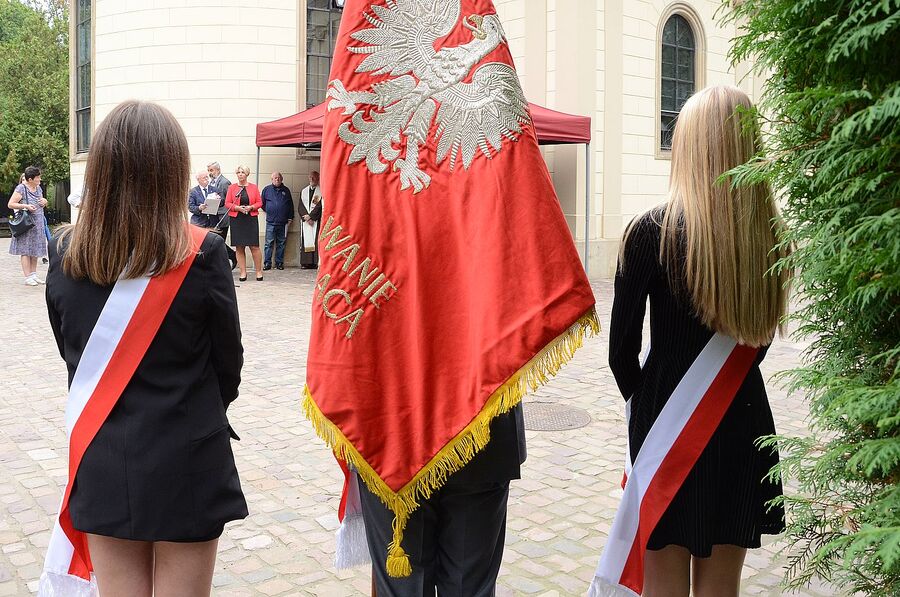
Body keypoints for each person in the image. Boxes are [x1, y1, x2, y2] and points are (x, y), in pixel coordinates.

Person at [41, 100, 247, 597]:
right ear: (172, 172)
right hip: (187, 456)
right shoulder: (203, 254)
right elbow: (228, 367)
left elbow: (70, 352)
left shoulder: (66, 254)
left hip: (103, 454)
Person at [603, 86, 791, 597]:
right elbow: (760, 340)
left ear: (687, 147)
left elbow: (621, 354)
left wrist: (651, 405)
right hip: (742, 417)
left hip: (666, 420)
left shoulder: (648, 232)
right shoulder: (772, 237)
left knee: (663, 583)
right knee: (722, 586)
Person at [7, 166, 48, 286]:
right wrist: (26, 206)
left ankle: (33, 275)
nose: (40, 179)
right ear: (30, 179)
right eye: (38, 177)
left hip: (38, 222)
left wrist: (44, 201)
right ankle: (27, 277)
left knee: (35, 249)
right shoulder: (21, 188)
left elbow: (41, 200)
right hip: (26, 223)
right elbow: (11, 204)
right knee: (25, 250)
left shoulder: (38, 188)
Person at [225, 165, 264, 282]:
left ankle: (258, 271)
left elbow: (259, 202)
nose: (240, 174)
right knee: (239, 246)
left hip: (250, 218)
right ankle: (243, 272)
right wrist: (237, 208)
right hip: (237, 219)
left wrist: (251, 207)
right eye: (238, 172)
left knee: (254, 246)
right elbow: (227, 203)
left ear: (247, 174)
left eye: (242, 172)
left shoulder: (253, 187)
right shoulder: (232, 188)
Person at [260, 171, 294, 270]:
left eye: (279, 178)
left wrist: (290, 218)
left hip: (283, 222)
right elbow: (262, 204)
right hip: (270, 222)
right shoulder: (267, 190)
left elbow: (290, 205)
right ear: (272, 179)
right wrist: (270, 210)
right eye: (275, 178)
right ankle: (267, 263)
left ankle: (279, 263)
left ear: (281, 179)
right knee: (268, 244)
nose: (277, 179)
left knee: (281, 243)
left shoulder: (286, 190)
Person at [298, 170, 323, 269]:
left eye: (314, 177)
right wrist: (307, 218)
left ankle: (315, 262)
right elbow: (300, 206)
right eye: (310, 177)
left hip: (316, 221)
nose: (312, 179)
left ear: (318, 178)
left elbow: (320, 206)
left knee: (316, 240)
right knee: (306, 240)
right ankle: (306, 262)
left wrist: (311, 216)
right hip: (306, 221)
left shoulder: (321, 191)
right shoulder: (303, 191)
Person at [207, 161, 231, 236]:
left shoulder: (225, 182)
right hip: (213, 216)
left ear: (218, 170)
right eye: (208, 170)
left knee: (221, 239)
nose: (209, 173)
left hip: (221, 216)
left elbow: (229, 199)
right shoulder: (211, 182)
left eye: (211, 170)